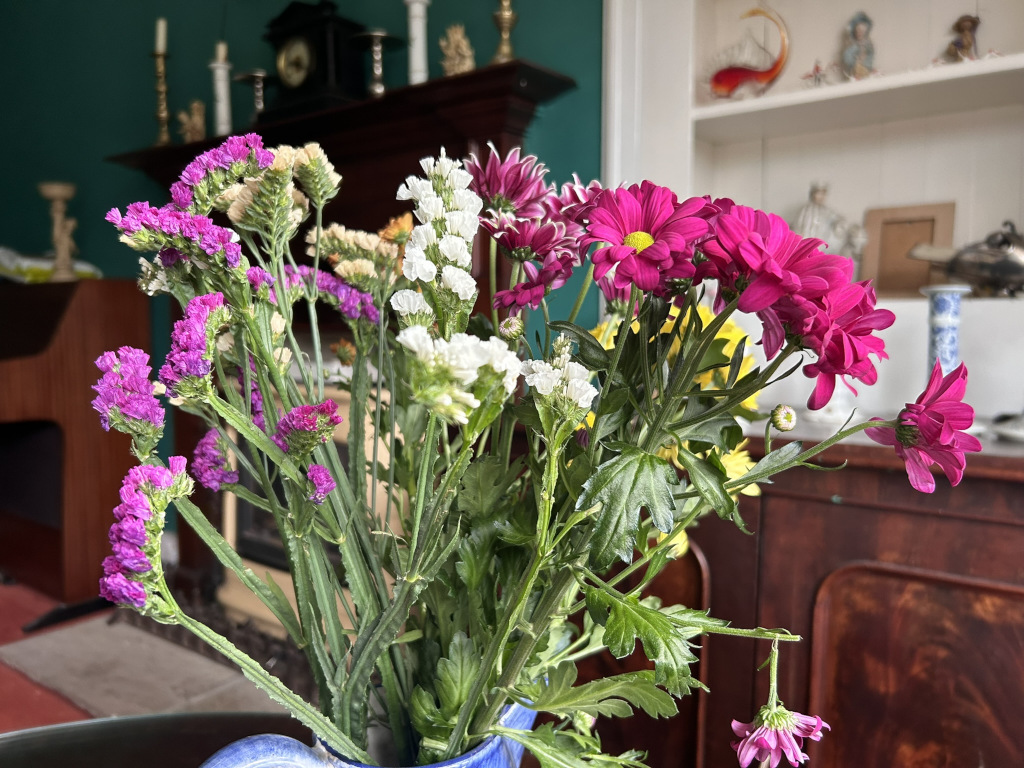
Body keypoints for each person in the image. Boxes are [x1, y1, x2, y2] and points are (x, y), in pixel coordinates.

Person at [842, 12, 875, 80]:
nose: (860, 33)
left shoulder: (868, 45)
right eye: (858, 31)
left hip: (865, 70)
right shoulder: (852, 46)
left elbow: (870, 57)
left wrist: (864, 58)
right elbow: (847, 58)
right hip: (855, 71)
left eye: (862, 31)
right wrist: (856, 60)